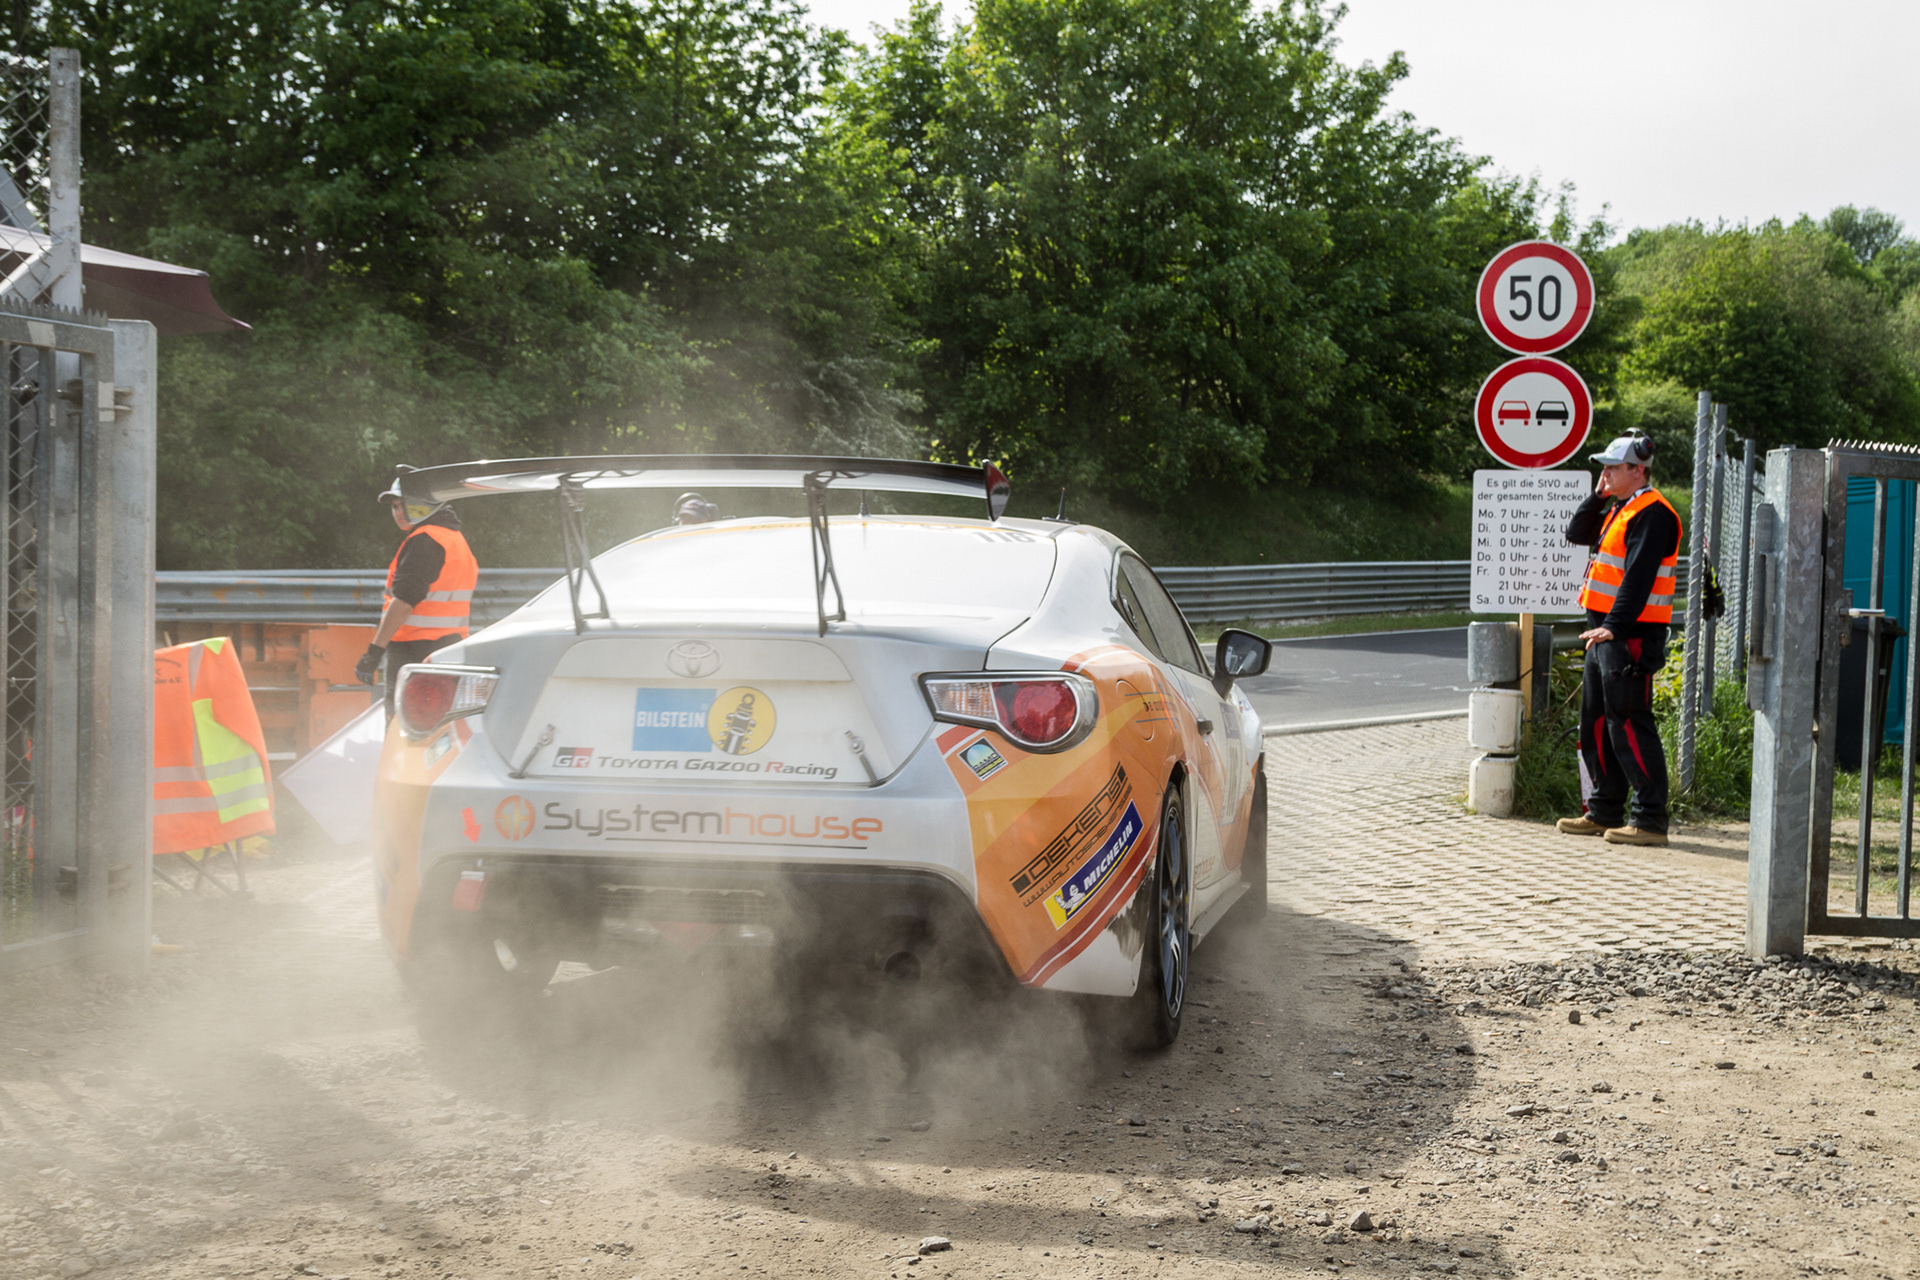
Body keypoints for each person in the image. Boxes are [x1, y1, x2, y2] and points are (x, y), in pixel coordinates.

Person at [1557, 431, 1682, 847]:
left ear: (1638, 470)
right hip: (1604, 630)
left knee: (1629, 722)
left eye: (1613, 467)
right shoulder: (1621, 508)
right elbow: (1576, 532)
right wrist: (1598, 496)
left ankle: (1649, 819)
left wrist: (1615, 625)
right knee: (1596, 722)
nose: (1606, 473)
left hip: (1629, 634)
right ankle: (1603, 810)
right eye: (1604, 467)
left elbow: (1639, 576)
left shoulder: (1653, 514)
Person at [355, 478, 479, 717]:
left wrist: (374, 653)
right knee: (438, 726)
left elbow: (403, 603)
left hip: (413, 654)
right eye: (394, 507)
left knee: (402, 727)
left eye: (404, 505)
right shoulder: (454, 539)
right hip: (448, 650)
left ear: (425, 504)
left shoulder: (424, 541)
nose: (398, 512)